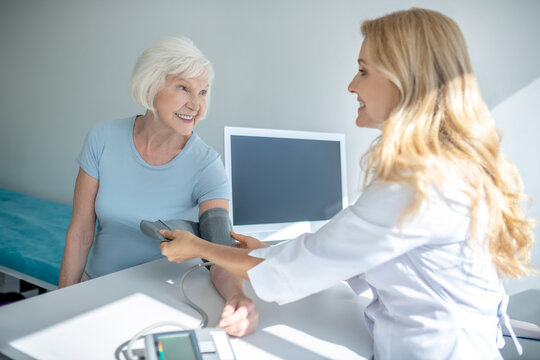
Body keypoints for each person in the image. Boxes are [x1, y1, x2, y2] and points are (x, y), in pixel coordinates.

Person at [158, 8, 536, 359]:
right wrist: (268, 249)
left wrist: (199, 247)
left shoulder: (418, 185)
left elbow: (300, 266)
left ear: (403, 78)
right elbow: (361, 251)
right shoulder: (449, 162)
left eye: (364, 71)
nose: (352, 85)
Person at [58, 37, 259, 337]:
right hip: (96, 286)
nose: (197, 104)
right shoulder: (103, 138)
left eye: (203, 92)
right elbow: (81, 232)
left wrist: (238, 299)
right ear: (150, 87)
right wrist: (63, 302)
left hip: (164, 302)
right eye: (183, 88)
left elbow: (219, 255)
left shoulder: (207, 165)